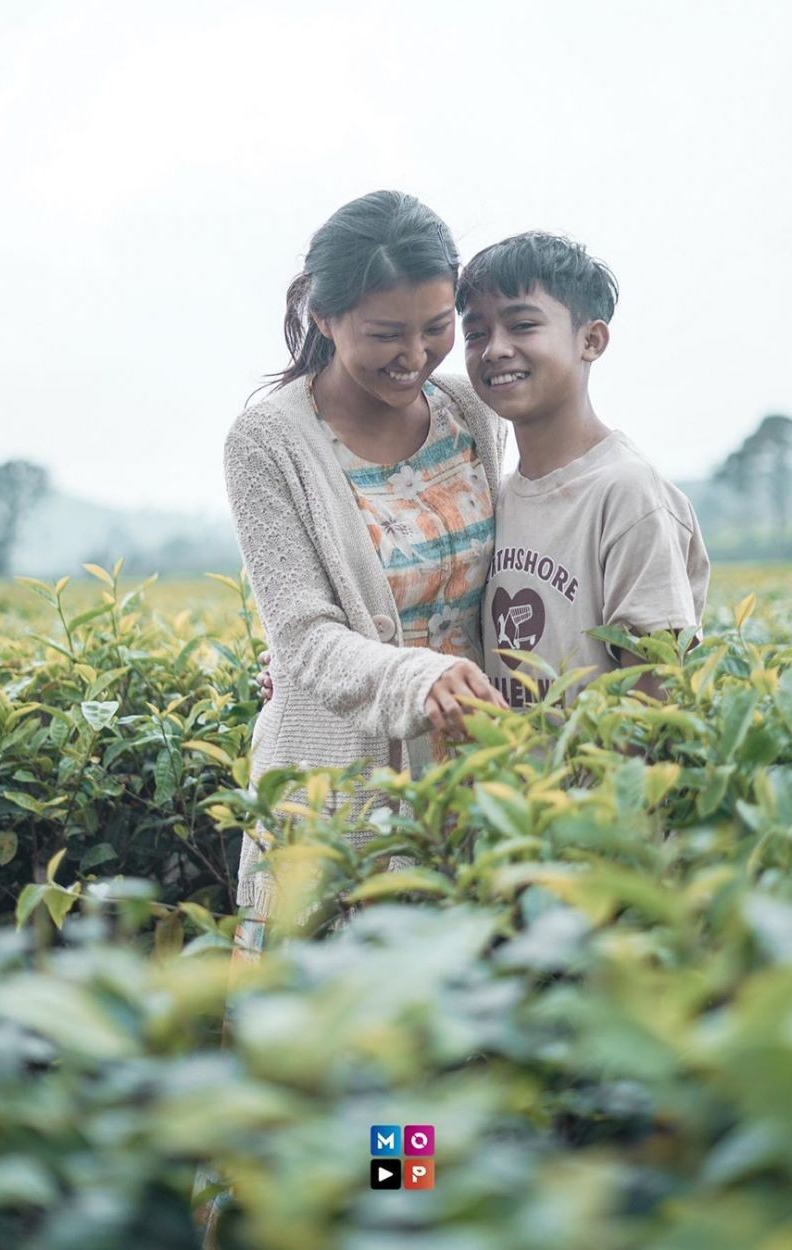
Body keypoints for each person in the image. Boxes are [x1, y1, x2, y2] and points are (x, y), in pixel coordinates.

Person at [223, 190, 508, 945]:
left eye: (437, 328)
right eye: (386, 334)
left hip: (465, 781)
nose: (414, 356)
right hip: (332, 789)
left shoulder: (467, 412)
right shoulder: (267, 441)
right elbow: (304, 636)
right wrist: (417, 678)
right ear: (324, 317)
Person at [456, 231, 710, 706]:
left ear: (590, 340)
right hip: (502, 779)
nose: (495, 349)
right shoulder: (498, 496)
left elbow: (655, 691)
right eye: (476, 334)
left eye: (523, 325)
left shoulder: (628, 493)